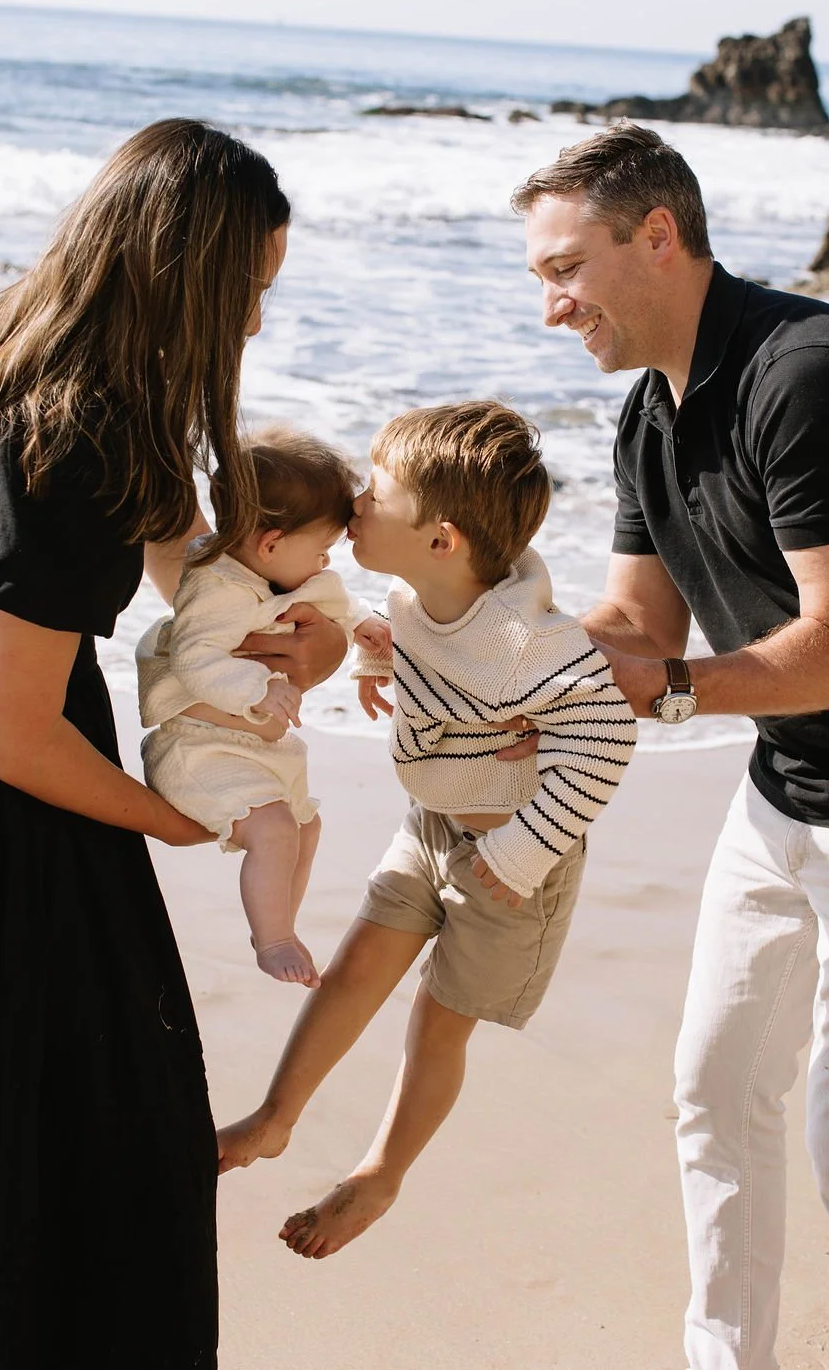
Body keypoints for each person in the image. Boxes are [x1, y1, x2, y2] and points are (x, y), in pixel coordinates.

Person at [0, 117, 323, 1369]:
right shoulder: (77, 432)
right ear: (182, 275)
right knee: (95, 1146)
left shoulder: (24, 349)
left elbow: (173, 554)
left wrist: (284, 629)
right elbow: (10, 733)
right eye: (245, 291)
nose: (253, 324)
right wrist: (182, 816)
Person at [512, 121, 829, 1370]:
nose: (550, 308)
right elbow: (633, 628)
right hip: (783, 796)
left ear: (657, 237)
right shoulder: (648, 413)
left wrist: (683, 691)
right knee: (715, 1101)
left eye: (563, 269)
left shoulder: (797, 373)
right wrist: (462, 641)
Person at [216, 400, 637, 1257]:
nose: (356, 503)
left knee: (439, 1021)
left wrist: (520, 853)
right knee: (356, 967)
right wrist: (374, 657)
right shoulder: (415, 588)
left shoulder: (534, 643)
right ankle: (275, 1118)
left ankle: (380, 1173)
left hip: (519, 861)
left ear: (441, 538)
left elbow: (603, 741)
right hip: (432, 824)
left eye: (376, 492)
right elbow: (397, 627)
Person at [137, 427, 390, 988]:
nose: (328, 561)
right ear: (271, 543)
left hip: (252, 746)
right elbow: (193, 659)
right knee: (275, 832)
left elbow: (329, 600)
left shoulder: (279, 568)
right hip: (198, 747)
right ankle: (273, 939)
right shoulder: (215, 588)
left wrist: (363, 623)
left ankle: (276, 923)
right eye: (323, 549)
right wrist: (255, 688)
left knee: (306, 825)